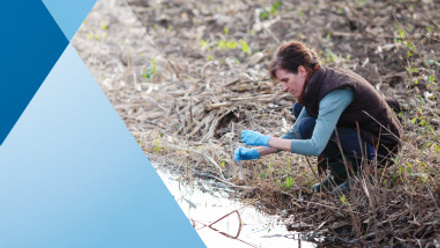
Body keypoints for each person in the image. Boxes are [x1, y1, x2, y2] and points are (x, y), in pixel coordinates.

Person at [234, 41, 403, 194]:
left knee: (308, 126)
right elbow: (294, 135)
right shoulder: (316, 82)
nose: (284, 88)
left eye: (286, 80)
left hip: (381, 150)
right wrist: (255, 152)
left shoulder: (334, 93)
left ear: (301, 71)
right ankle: (341, 174)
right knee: (300, 110)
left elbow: (315, 146)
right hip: (361, 136)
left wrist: (267, 139)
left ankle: (360, 176)